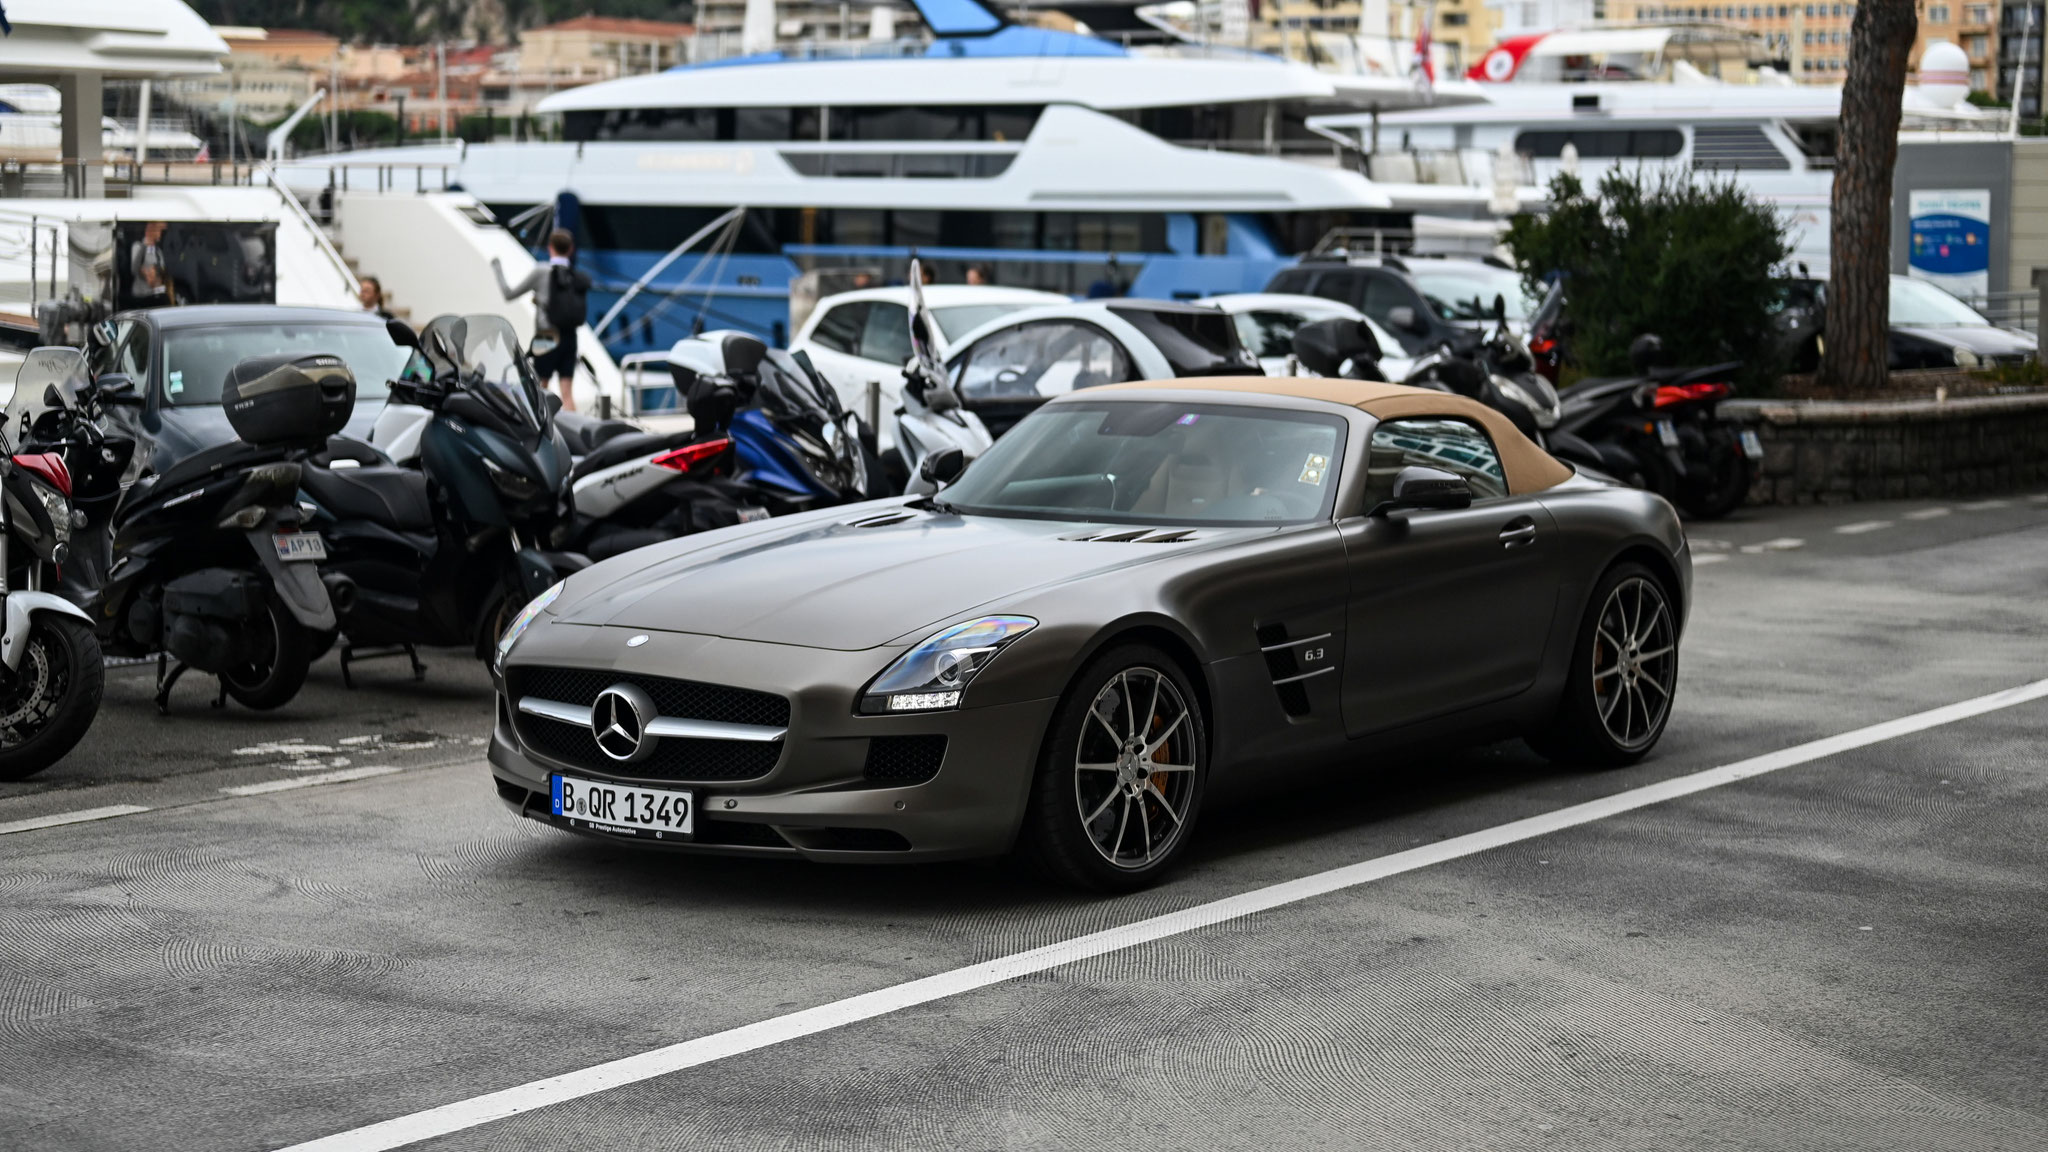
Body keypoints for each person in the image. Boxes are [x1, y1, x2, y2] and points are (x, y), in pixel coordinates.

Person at [492, 229, 590, 413]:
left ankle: (547, 434)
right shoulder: (575, 276)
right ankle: (575, 434)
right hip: (570, 336)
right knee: (567, 393)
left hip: (546, 335)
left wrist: (496, 267)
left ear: (550, 247)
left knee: (542, 388)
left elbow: (509, 294)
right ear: (571, 250)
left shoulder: (541, 271)